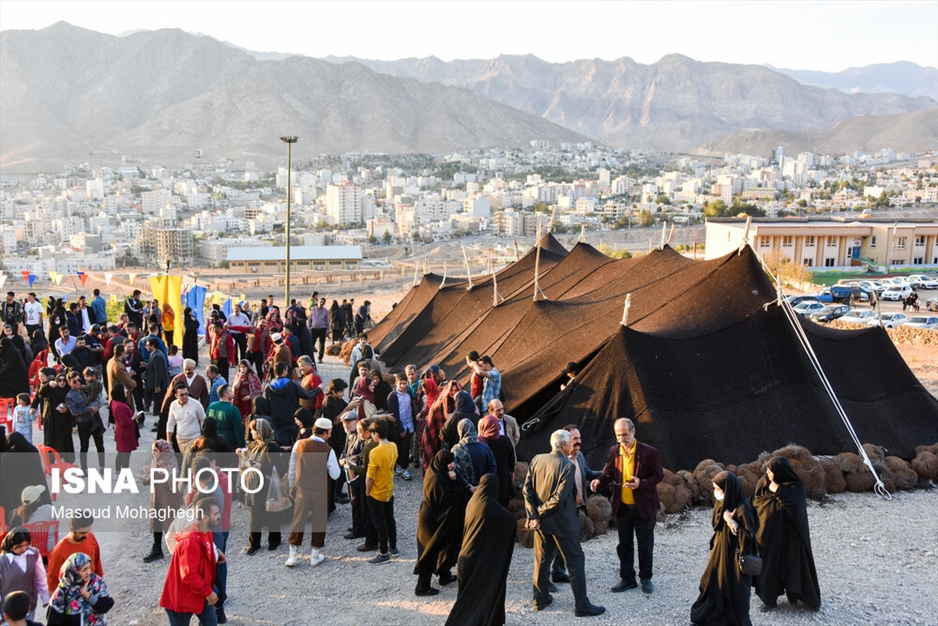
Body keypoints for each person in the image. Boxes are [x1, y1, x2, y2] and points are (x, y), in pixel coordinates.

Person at [523, 429, 604, 617]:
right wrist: (537, 514)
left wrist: (534, 515)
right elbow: (559, 498)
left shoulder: (537, 459)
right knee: (575, 562)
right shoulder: (568, 466)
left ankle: (540, 599)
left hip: (542, 524)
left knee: (541, 561)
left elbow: (527, 490)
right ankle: (582, 606)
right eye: (570, 442)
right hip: (564, 523)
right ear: (564, 445)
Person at [590, 417, 664, 594]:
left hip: (644, 507)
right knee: (624, 545)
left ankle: (646, 578)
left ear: (633, 432)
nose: (621, 438)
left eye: (624, 434)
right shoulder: (614, 451)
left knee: (645, 545)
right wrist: (598, 481)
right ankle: (627, 578)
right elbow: (608, 473)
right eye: (618, 435)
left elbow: (659, 475)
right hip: (623, 506)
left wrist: (642, 483)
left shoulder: (649, 452)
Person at [444, 474, 516, 626]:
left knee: (468, 600)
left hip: (467, 558)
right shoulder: (489, 507)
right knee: (479, 598)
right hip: (478, 562)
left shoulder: (474, 501)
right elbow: (508, 520)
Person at [753, 456, 821, 613]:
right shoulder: (763, 483)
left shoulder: (795, 487)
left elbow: (796, 505)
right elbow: (757, 502)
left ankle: (806, 598)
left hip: (791, 538)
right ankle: (769, 600)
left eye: (771, 471)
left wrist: (779, 490)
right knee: (770, 566)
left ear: (780, 472)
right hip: (769, 537)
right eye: (768, 471)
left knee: (795, 564)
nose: (768, 474)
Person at [690, 471, 758, 626]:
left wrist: (731, 522)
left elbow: (749, 536)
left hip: (735, 556)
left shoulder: (743, 508)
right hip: (720, 551)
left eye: (719, 490)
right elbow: (716, 524)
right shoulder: (723, 503)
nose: (717, 493)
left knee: (735, 591)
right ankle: (709, 617)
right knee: (711, 583)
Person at [286, 417, 341, 567]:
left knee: (298, 519)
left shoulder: (299, 444)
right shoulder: (328, 450)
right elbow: (335, 474)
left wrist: (291, 485)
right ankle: (315, 555)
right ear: (324, 433)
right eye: (329, 432)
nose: (330, 435)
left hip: (302, 489)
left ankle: (293, 555)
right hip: (320, 489)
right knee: (319, 521)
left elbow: (292, 468)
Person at [159, 497, 223, 626]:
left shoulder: (205, 532)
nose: (219, 516)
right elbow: (188, 574)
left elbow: (206, 549)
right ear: (204, 517)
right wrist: (208, 592)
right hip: (181, 598)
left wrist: (216, 552)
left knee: (211, 622)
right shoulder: (190, 542)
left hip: (199, 592)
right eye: (215, 513)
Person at [551, 424, 601, 584]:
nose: (579, 441)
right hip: (561, 510)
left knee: (567, 542)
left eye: (579, 438)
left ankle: (558, 572)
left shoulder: (579, 456)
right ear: (565, 441)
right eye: (575, 438)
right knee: (553, 545)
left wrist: (605, 473)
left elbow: (586, 473)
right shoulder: (557, 461)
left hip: (577, 508)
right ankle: (545, 582)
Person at [413, 450, 465, 596]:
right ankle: (422, 587)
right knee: (429, 550)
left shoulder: (436, 472)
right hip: (431, 521)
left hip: (435, 517)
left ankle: (444, 575)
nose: (452, 465)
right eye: (449, 462)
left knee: (445, 546)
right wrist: (455, 483)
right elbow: (449, 498)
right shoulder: (437, 479)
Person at [244, 418, 285, 555]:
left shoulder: (271, 447)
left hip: (267, 485)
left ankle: (274, 540)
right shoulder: (256, 444)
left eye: (253, 430)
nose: (251, 433)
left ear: (260, 431)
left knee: (270, 512)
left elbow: (280, 468)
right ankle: (254, 543)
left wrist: (262, 467)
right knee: (254, 514)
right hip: (255, 484)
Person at [141, 440, 183, 564]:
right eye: (153, 450)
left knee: (171, 525)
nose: (153, 453)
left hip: (169, 498)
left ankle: (180, 552)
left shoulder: (170, 460)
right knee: (157, 523)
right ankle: (157, 548)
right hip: (157, 496)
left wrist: (152, 473)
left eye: (156, 450)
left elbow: (170, 478)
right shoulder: (156, 460)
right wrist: (147, 480)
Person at [264, 361, 322, 447]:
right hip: (293, 420)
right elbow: (306, 395)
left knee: (282, 448)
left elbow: (267, 406)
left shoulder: (268, 388)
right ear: (284, 371)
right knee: (297, 446)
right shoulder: (292, 384)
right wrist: (318, 389)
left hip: (278, 422)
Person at [46, 552, 113, 626]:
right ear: (74, 571)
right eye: (84, 569)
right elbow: (53, 622)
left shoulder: (95, 582)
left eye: (89, 567)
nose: (89, 572)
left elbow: (106, 606)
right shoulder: (62, 591)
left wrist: (88, 596)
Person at [365, 418, 398, 565]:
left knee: (380, 523)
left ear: (376, 434)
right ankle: (393, 547)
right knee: (390, 518)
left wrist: (367, 490)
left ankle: (383, 552)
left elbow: (370, 476)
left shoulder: (375, 452)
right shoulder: (393, 446)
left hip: (377, 491)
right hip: (389, 489)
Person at [0, 528, 50, 623]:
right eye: (19, 546)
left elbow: (41, 577)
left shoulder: (34, 554)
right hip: (9, 611)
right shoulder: (2, 562)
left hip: (29, 606)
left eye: (26, 545)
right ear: (11, 545)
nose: (23, 549)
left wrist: (45, 597)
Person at [46, 513, 103, 595]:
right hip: (72, 598)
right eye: (82, 533)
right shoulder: (58, 553)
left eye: (88, 531)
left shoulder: (91, 537)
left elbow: (97, 562)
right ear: (72, 530)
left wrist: (99, 586)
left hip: (92, 591)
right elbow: (53, 582)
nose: (86, 535)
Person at [64, 371, 105, 472]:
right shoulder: (70, 396)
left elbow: (97, 396)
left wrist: (96, 407)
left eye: (79, 380)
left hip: (95, 420)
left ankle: (102, 467)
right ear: (69, 383)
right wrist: (90, 408)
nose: (78, 382)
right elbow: (74, 412)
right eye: (74, 381)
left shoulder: (86, 389)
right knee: (84, 447)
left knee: (100, 445)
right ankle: (84, 469)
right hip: (83, 423)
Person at [477, 413, 516, 507]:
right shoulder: (505, 440)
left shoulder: (480, 443)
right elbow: (511, 458)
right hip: (504, 478)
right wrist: (512, 471)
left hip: (489, 480)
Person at [385, 373, 416, 481]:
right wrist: (400, 429)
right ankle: (402, 467)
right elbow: (394, 415)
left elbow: (411, 409)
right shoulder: (392, 396)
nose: (403, 386)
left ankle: (403, 467)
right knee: (399, 448)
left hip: (409, 425)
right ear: (396, 383)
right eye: (400, 384)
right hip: (399, 427)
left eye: (404, 383)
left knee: (405, 448)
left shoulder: (408, 393)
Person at [451, 419, 496, 490]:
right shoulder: (485, 447)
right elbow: (492, 467)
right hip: (483, 489)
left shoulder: (456, 450)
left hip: (464, 491)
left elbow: (454, 472)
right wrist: (484, 484)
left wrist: (469, 487)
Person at [167, 383, 207, 453]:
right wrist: (169, 440)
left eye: (186, 394)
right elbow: (170, 423)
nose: (185, 396)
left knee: (188, 460)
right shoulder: (173, 405)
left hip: (194, 439)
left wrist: (203, 436)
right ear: (176, 396)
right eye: (182, 395)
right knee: (186, 460)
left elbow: (203, 419)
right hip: (180, 440)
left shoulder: (196, 404)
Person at [109, 384, 138, 472]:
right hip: (125, 433)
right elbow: (124, 422)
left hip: (122, 432)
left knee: (121, 453)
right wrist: (134, 417)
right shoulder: (120, 406)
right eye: (124, 389)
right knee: (125, 454)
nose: (126, 391)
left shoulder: (115, 402)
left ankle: (118, 472)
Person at [206, 385, 244, 450]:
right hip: (230, 444)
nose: (233, 392)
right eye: (230, 391)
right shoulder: (233, 410)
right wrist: (242, 446)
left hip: (214, 443)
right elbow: (238, 430)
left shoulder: (211, 406)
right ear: (226, 394)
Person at [0, 337, 30, 401]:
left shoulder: (12, 353)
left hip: (16, 375)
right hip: (15, 372)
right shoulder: (11, 350)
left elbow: (9, 367)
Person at [308, 297, 330, 363]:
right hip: (314, 329)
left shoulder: (326, 311)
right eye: (320, 301)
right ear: (318, 302)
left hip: (322, 329)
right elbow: (309, 320)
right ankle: (310, 358)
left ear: (324, 303)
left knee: (322, 344)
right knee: (311, 344)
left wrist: (327, 330)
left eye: (323, 302)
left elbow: (327, 321)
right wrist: (309, 328)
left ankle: (320, 358)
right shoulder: (313, 309)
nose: (321, 303)